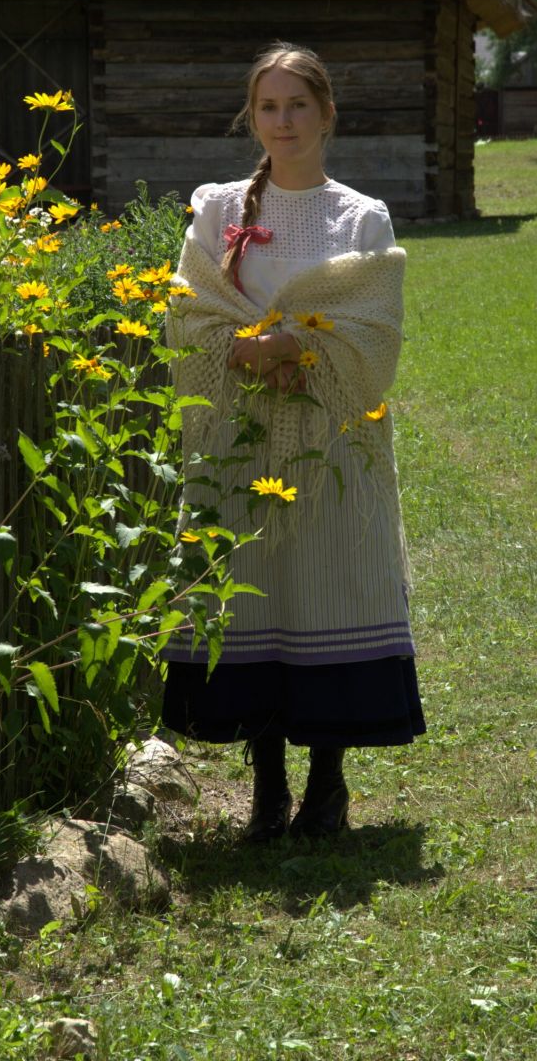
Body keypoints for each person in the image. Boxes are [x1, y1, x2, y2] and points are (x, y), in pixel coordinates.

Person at [161, 41, 426, 842]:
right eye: (268, 107)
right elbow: (189, 307)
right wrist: (241, 348)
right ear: (254, 116)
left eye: (297, 106)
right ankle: (267, 789)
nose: (283, 122)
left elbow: (372, 326)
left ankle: (329, 787)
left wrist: (299, 349)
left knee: (326, 580)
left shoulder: (360, 215)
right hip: (236, 430)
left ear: (326, 114)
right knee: (254, 587)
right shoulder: (219, 211)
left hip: (328, 433)